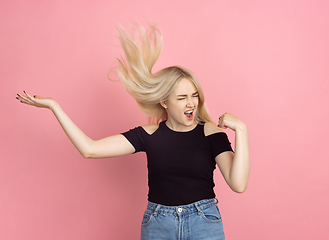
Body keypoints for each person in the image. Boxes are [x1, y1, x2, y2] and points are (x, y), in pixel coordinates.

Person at [16, 24, 250, 240]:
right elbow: (90, 149)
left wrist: (241, 130)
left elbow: (238, 184)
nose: (191, 103)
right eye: (182, 97)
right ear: (165, 102)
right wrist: (54, 106)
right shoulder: (148, 135)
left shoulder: (210, 134)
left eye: (194, 95)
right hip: (159, 224)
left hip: (204, 223)